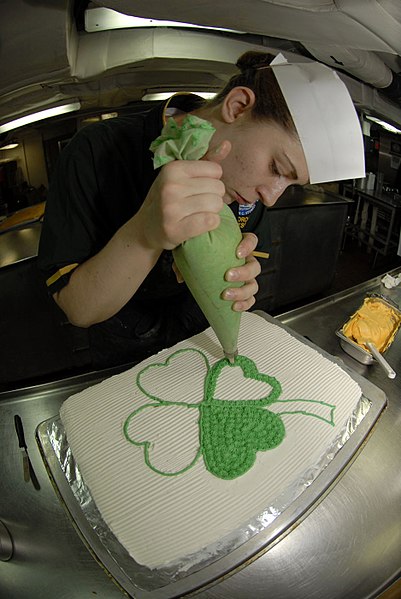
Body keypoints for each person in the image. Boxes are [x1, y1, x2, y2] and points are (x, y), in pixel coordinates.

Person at [38, 50, 364, 369]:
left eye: (290, 185)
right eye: (277, 167)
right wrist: (145, 234)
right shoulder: (95, 151)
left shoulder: (246, 190)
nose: (271, 197)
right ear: (237, 107)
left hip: (205, 335)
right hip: (124, 345)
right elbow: (78, 309)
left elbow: (251, 262)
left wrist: (243, 276)